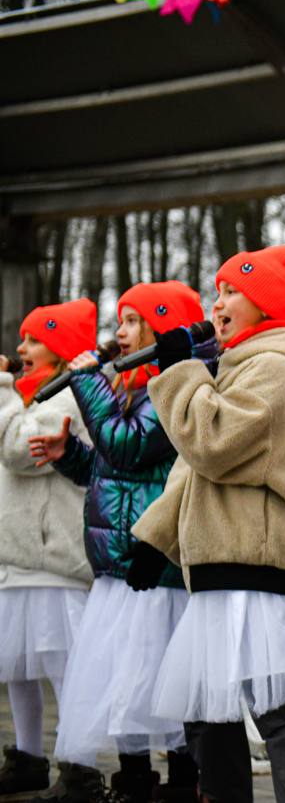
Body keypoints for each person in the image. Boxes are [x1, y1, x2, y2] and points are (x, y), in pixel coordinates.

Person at [128, 244, 285, 803]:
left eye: (233, 291)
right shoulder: (239, 368)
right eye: (218, 290)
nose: (218, 303)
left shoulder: (275, 369)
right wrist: (156, 539)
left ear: (267, 305)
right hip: (226, 570)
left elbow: (213, 444)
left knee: (280, 714)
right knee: (210, 718)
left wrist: (179, 371)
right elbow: (194, 475)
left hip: (260, 571)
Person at [29, 283, 211, 803]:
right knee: (126, 683)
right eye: (121, 320)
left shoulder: (176, 386)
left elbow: (128, 446)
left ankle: (182, 785)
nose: (121, 332)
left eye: (133, 321)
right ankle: (133, 782)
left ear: (162, 327)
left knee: (163, 683)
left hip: (157, 567)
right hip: (119, 566)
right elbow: (114, 471)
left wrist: (87, 381)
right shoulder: (131, 388)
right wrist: (71, 455)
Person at [0, 301, 95, 801]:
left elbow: (19, 450)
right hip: (19, 559)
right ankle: (27, 758)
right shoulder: (27, 396)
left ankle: (80, 766)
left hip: (54, 560)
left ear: (60, 348)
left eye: (34, 339)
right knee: (17, 667)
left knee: (63, 667)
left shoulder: (68, 396)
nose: (21, 348)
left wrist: (1, 392)